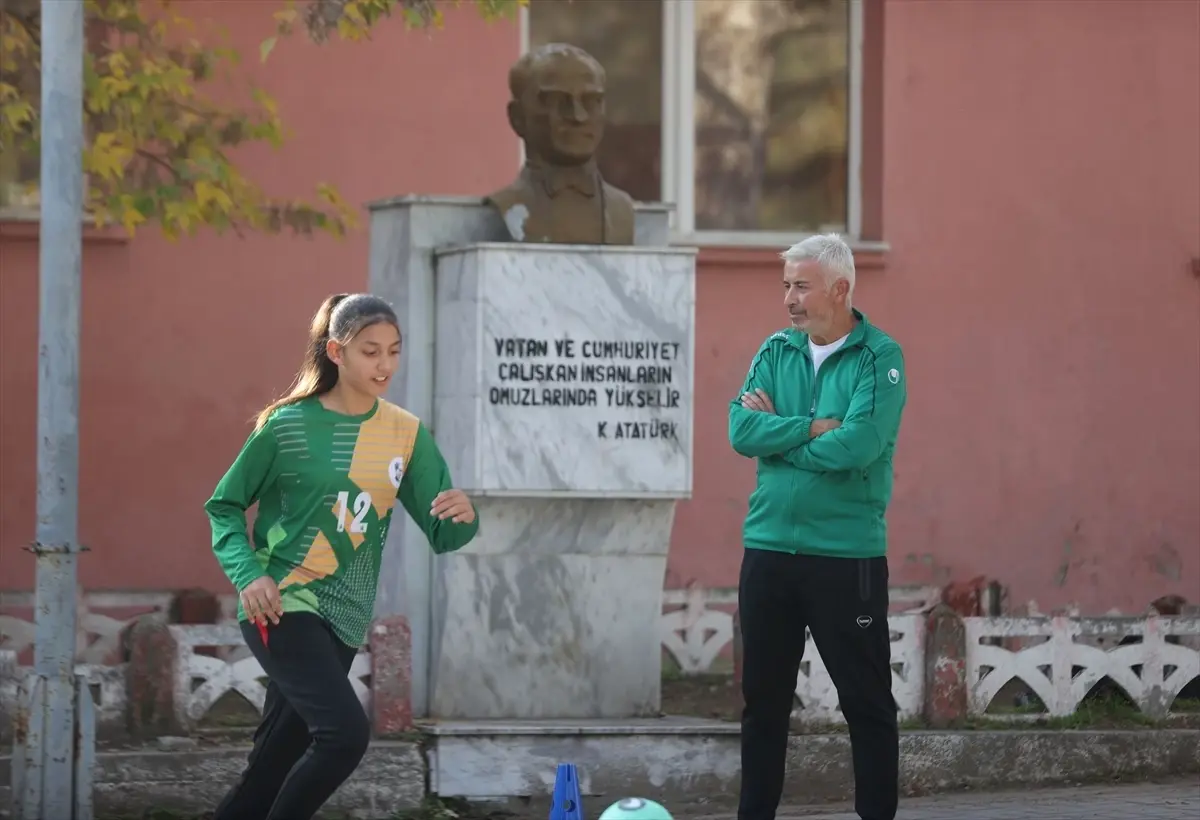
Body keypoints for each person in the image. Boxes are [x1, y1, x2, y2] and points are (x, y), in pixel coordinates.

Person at [204, 293, 479, 820]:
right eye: (370, 351)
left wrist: (464, 515)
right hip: (281, 605)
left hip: (346, 617)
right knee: (344, 736)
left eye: (393, 351)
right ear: (336, 351)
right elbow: (224, 506)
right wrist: (249, 575)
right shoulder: (284, 426)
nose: (385, 365)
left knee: (271, 767)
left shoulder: (407, 434)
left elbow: (444, 534)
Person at [728, 234, 907, 820]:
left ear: (839, 288)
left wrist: (777, 436)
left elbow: (859, 446)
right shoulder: (775, 350)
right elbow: (739, 431)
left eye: (801, 287)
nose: (789, 299)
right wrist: (809, 428)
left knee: (866, 702)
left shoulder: (880, 357)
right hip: (768, 551)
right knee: (763, 705)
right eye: (786, 286)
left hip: (846, 557)